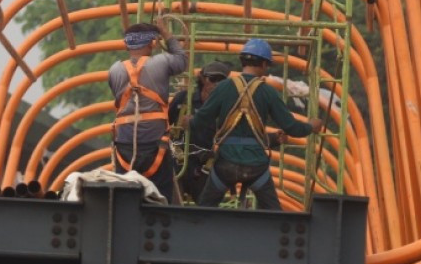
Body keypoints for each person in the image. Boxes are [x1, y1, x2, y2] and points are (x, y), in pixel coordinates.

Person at [192, 39, 323, 210]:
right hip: (256, 167)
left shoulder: (223, 88)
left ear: (242, 61)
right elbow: (292, 127)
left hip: (225, 164)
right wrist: (311, 126)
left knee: (203, 211)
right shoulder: (268, 92)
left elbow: (200, 121)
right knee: (275, 214)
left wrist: (189, 121)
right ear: (263, 64)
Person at [109, 20, 188, 203]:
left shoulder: (114, 70)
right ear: (152, 43)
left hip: (124, 145)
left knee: (125, 198)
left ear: (126, 44)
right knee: (160, 198)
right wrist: (166, 34)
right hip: (155, 145)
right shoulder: (160, 62)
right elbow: (182, 59)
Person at [168, 60, 232, 201]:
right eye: (213, 79)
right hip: (178, 161)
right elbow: (164, 124)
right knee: (172, 202)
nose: (216, 84)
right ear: (202, 78)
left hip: (204, 167)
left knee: (206, 208)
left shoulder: (225, 108)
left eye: (221, 81)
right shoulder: (184, 100)